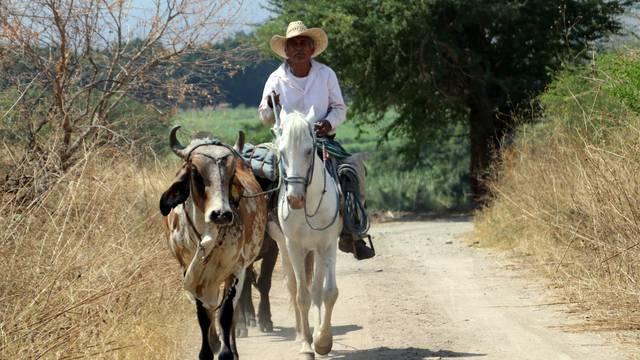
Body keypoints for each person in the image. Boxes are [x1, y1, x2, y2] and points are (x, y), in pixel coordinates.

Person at [258, 20, 375, 260]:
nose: (299, 48)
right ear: (286, 51)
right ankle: (258, 232)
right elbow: (265, 117)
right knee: (258, 174)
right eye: (293, 44)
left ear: (312, 49)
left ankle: (353, 232)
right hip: (287, 143)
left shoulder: (326, 74)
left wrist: (328, 123)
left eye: (303, 43)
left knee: (352, 169)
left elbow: (339, 108)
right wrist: (270, 106)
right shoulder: (275, 79)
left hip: (322, 141)